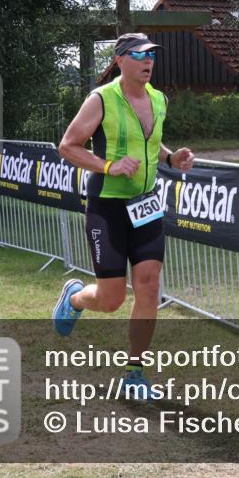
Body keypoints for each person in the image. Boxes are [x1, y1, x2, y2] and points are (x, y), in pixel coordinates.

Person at [53, 32, 195, 399]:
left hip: (146, 206)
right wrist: (109, 166)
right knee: (111, 299)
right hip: (108, 208)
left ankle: (134, 373)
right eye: (139, 55)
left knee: (148, 285)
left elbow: (149, 141)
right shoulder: (101, 99)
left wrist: (169, 157)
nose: (148, 61)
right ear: (120, 61)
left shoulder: (159, 99)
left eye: (152, 55)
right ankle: (75, 298)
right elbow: (68, 146)